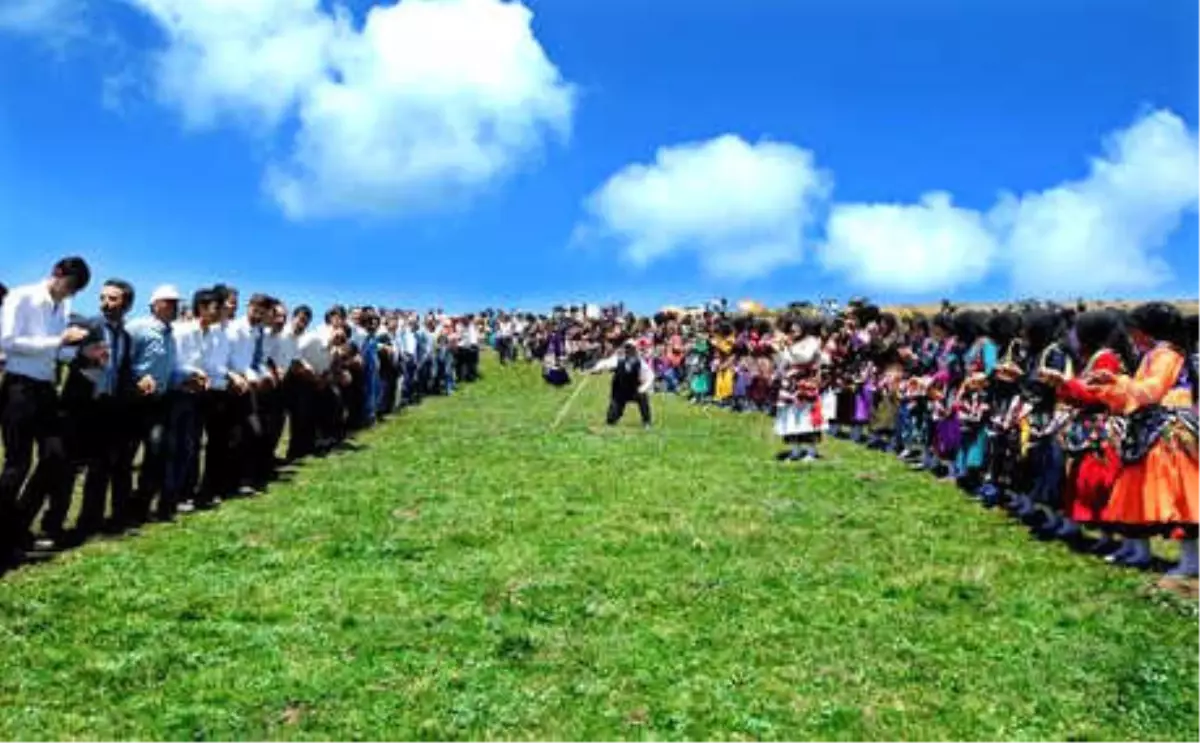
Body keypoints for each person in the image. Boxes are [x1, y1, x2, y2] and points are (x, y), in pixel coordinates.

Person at [0, 257, 95, 558]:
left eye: (76, 290)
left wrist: (84, 353)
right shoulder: (21, 296)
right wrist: (57, 340)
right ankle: (5, 535)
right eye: (70, 285)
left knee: (56, 456)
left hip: (44, 389)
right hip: (19, 387)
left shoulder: (62, 307)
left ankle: (17, 525)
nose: (70, 293)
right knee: (17, 464)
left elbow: (60, 352)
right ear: (57, 273)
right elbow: (7, 340)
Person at [589, 339, 654, 428]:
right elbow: (605, 363)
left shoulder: (640, 363)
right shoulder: (618, 360)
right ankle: (614, 417)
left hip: (634, 390)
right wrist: (596, 369)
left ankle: (646, 422)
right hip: (620, 392)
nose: (628, 350)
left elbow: (650, 376)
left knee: (643, 397)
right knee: (611, 420)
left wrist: (643, 388)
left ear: (635, 349)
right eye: (627, 348)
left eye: (631, 348)